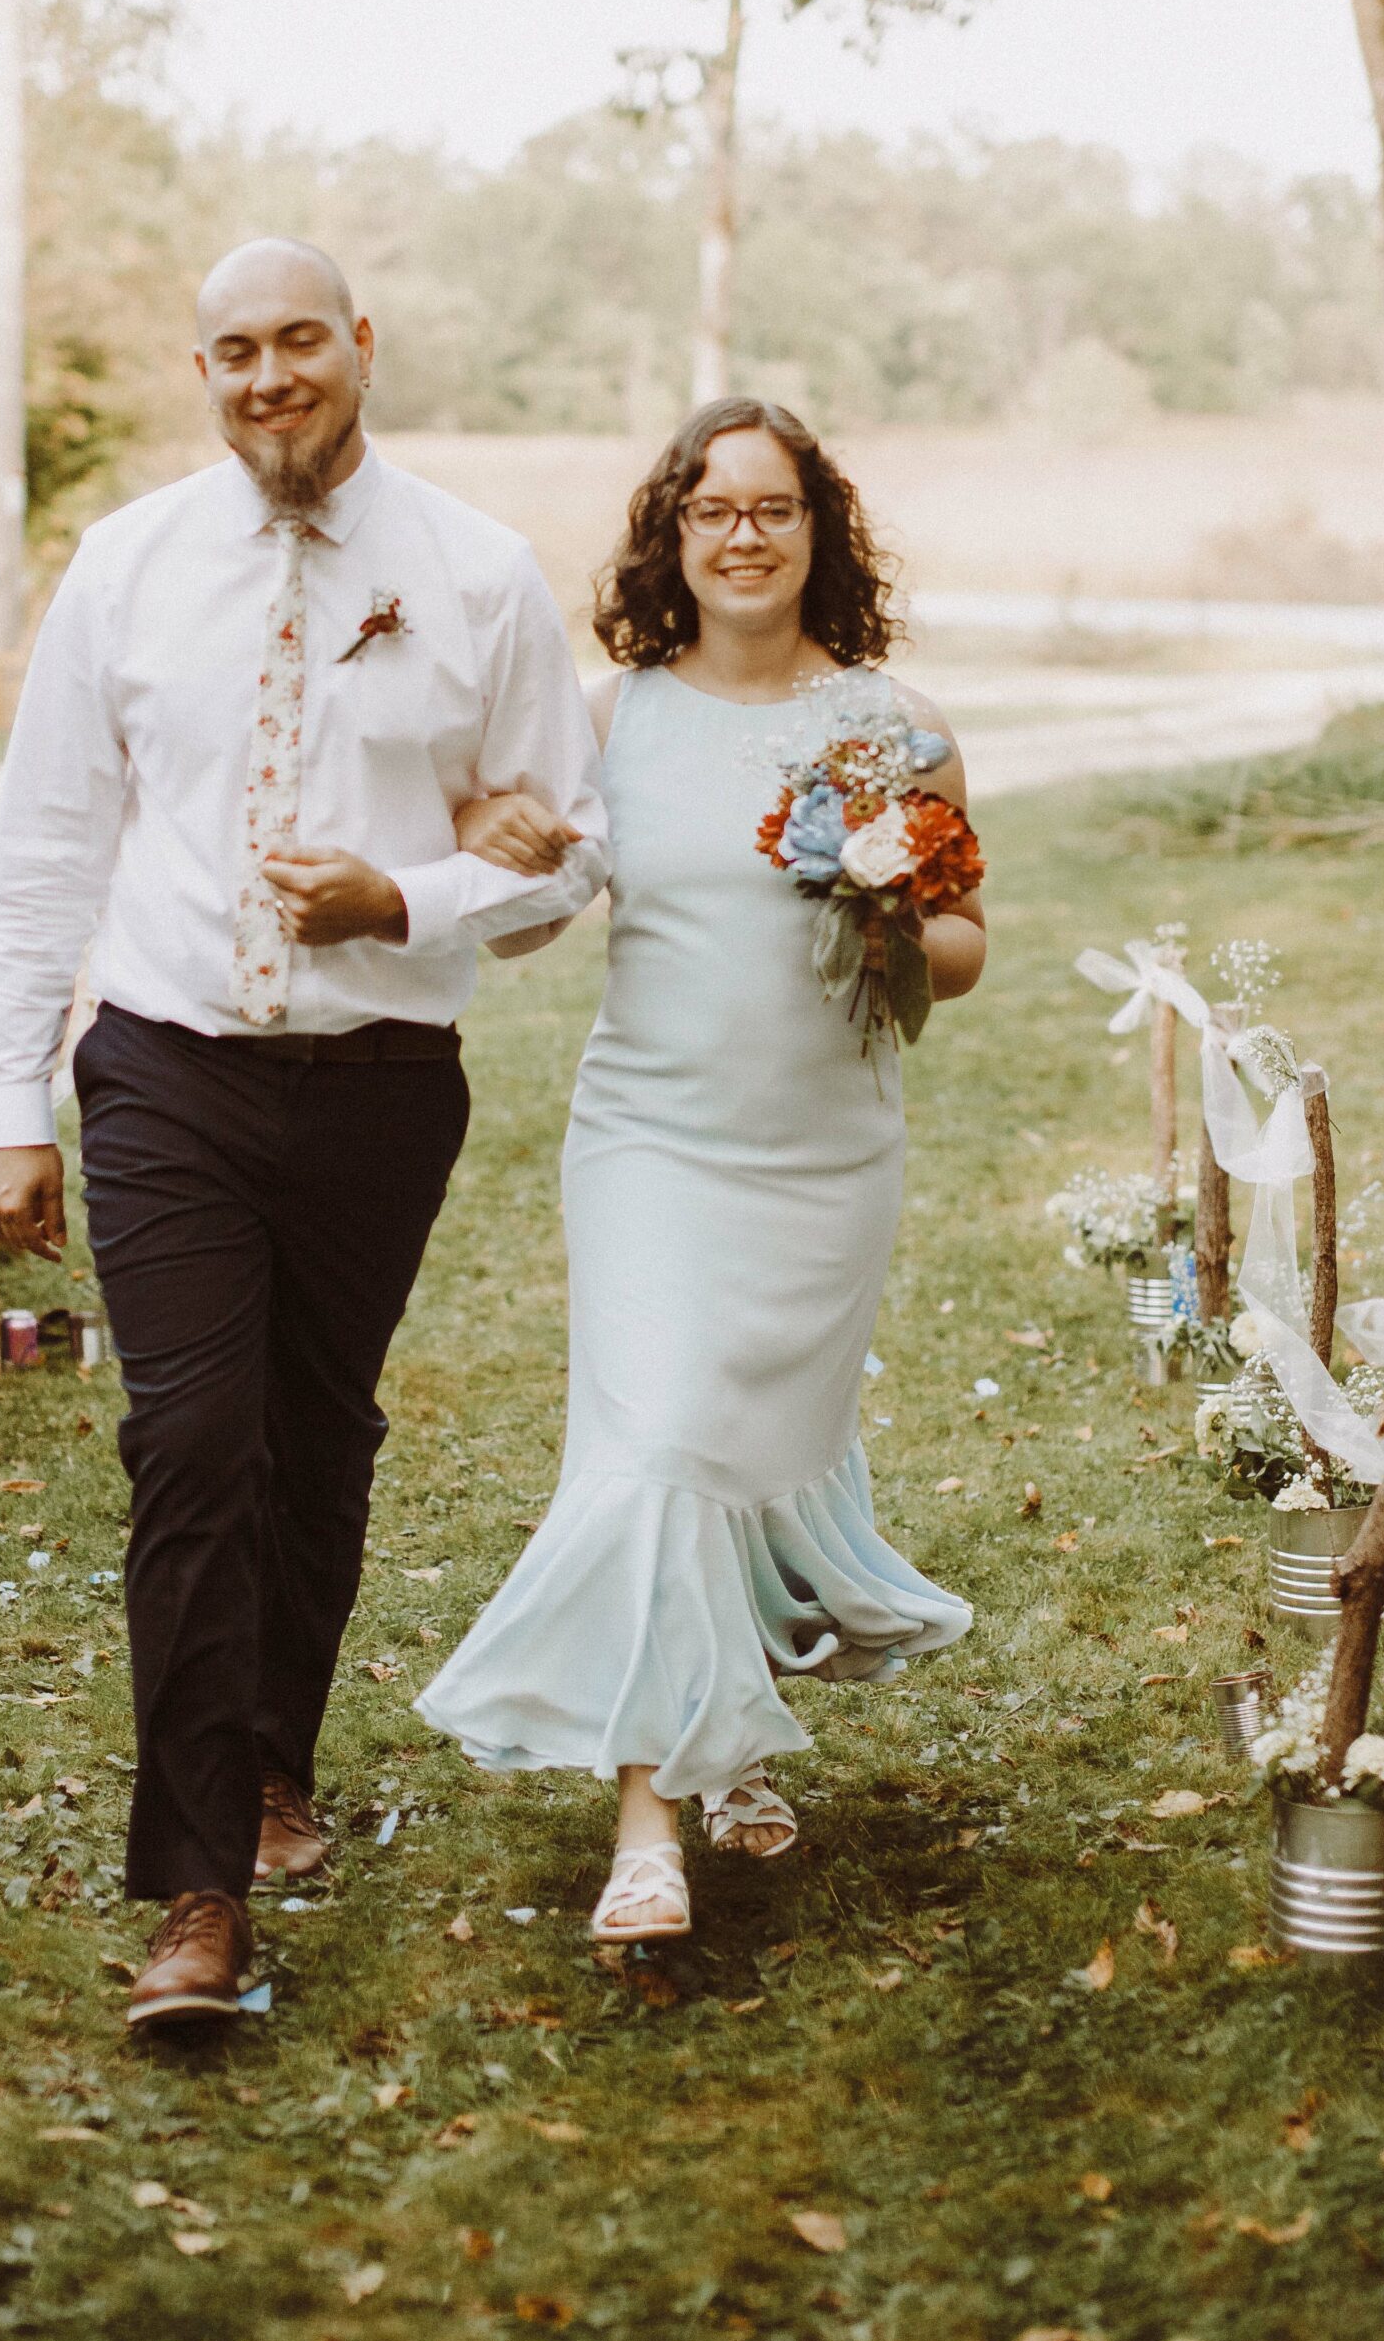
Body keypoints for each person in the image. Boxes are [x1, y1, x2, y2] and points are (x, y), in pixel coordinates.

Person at [0, 236, 609, 2028]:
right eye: (235, 350)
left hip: (381, 1084)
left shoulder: (474, 573)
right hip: (165, 1067)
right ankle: (197, 1888)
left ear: (362, 345)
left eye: (300, 340)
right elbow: (43, 843)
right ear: (204, 373)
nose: (270, 377)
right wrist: (14, 1100)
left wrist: (406, 897)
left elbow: (570, 856)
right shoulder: (126, 566)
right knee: (191, 1441)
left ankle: (272, 1758)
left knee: (316, 1440)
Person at [417, 399, 983, 1943]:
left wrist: (894, 913)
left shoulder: (895, 727)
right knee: (657, 1443)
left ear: (818, 531)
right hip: (651, 1145)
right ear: (671, 536)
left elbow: (962, 954)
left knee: (736, 1455)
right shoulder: (611, 720)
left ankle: (728, 1741)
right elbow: (526, 933)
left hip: (829, 1158)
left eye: (774, 508)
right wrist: (504, 851)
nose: (745, 535)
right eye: (713, 509)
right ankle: (648, 1831)